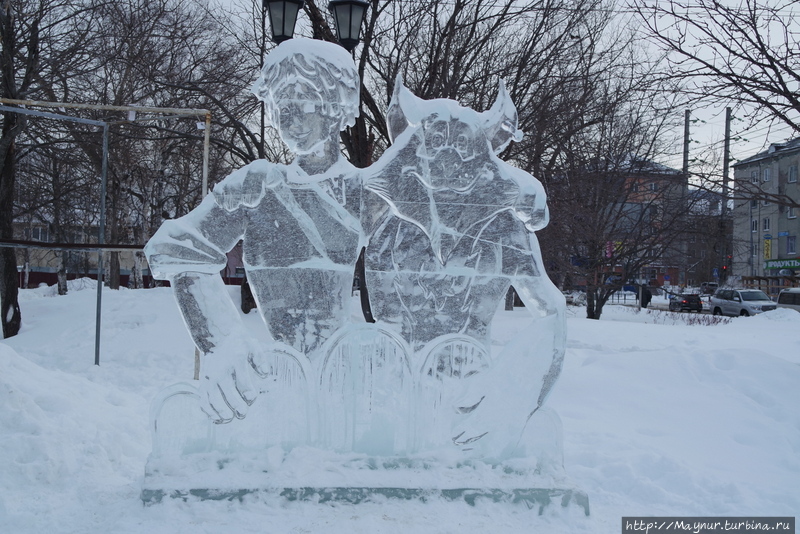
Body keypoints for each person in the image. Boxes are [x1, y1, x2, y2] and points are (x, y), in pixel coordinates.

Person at [144, 38, 364, 424]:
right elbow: (173, 248)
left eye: (303, 103)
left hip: (351, 385)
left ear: (334, 103)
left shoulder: (364, 193)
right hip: (273, 383)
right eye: (281, 107)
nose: (291, 120)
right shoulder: (259, 186)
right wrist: (221, 340)